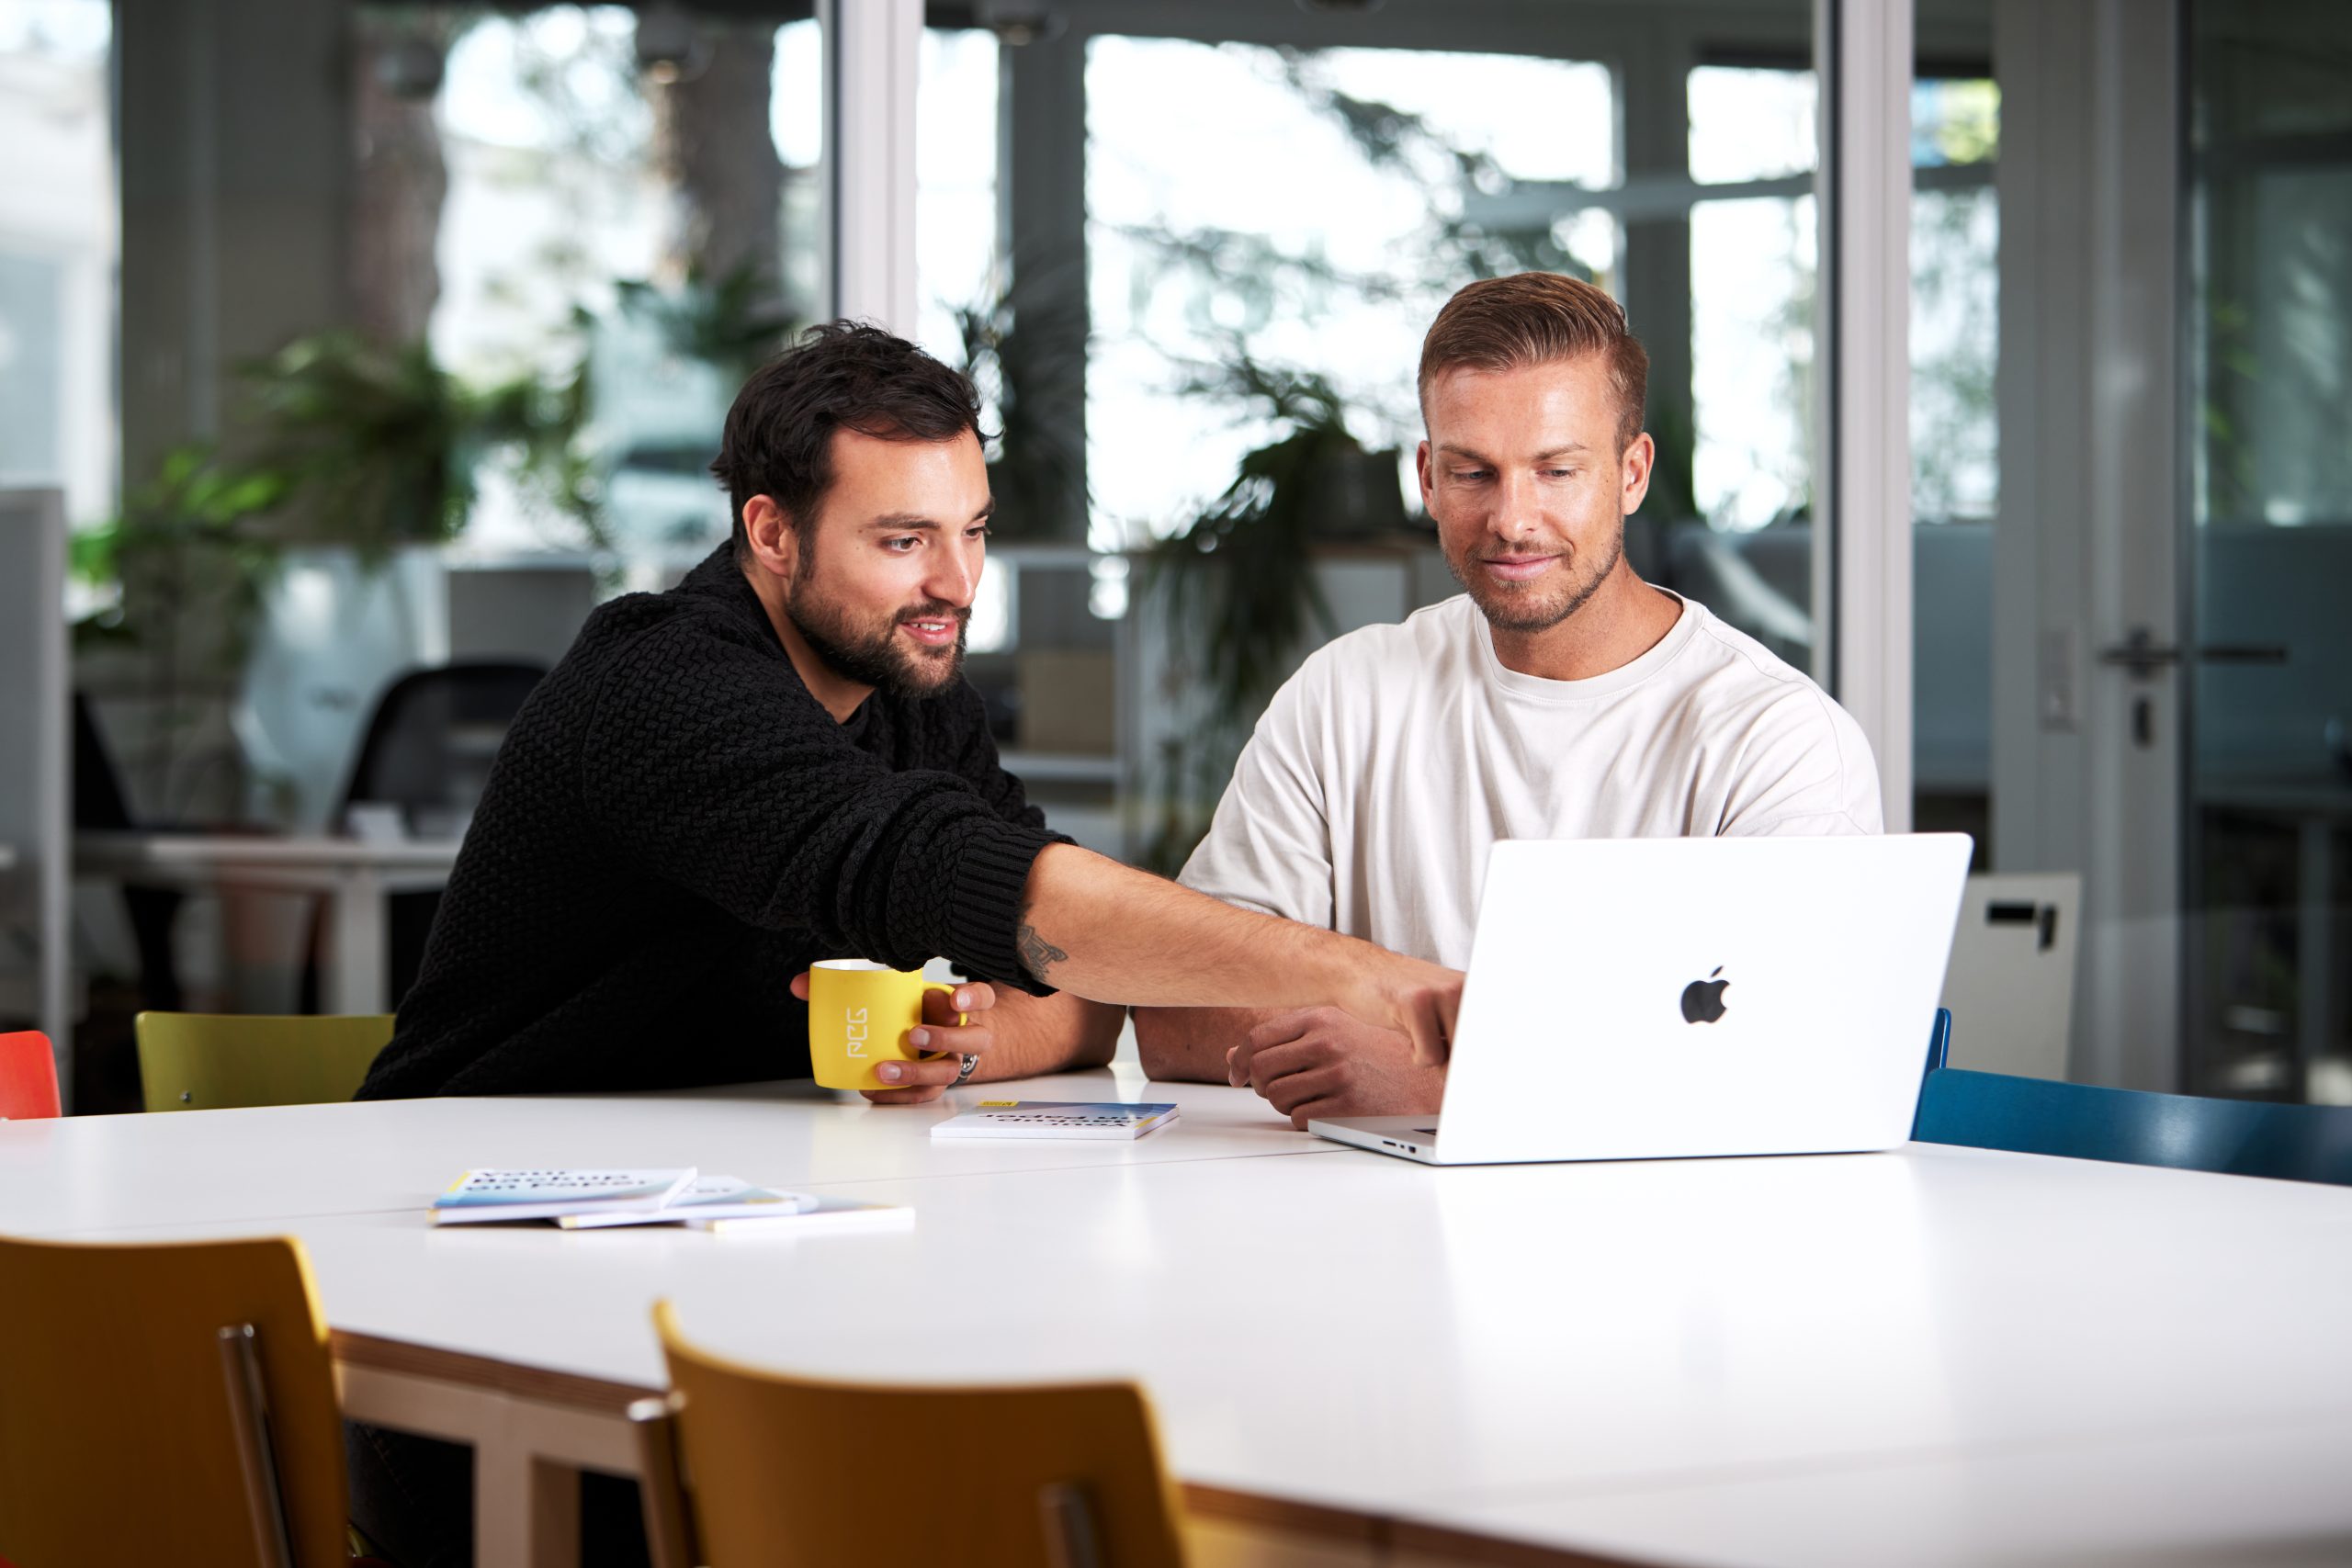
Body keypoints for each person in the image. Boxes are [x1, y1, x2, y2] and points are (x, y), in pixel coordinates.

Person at [348, 321, 1463, 1568]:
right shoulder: (658, 683)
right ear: (771, 533)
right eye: (902, 540)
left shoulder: (909, 690)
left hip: (732, 1246)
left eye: (972, 529)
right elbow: (969, 881)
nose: (955, 582)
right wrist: (1369, 974)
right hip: (469, 1300)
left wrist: (1001, 1018)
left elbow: (1059, 960)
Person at [1136, 272, 1883, 1128]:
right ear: (1426, 475)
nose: (1512, 519)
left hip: (1668, 1238)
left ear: (1632, 473)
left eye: (1557, 469)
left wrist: (1436, 1084)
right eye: (1472, 473)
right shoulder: (1343, 694)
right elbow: (1172, 1012)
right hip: (1357, 1231)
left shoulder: (1778, 739)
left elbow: (1802, 1060)